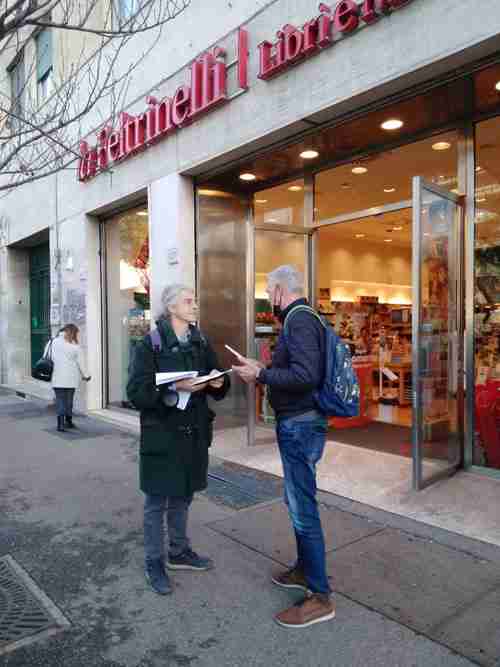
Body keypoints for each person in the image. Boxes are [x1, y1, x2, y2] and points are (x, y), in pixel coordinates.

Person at [233, 265, 335, 629]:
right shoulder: (299, 319)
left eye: (268, 290)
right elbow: (298, 369)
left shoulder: (299, 321)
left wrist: (261, 374)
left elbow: (306, 376)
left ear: (279, 290)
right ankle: (304, 571)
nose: (267, 297)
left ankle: (320, 596)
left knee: (302, 506)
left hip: (300, 424)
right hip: (299, 423)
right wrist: (263, 366)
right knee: (297, 501)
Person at [127, 284, 230, 596]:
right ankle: (154, 561)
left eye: (195, 300)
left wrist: (217, 382)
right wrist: (174, 391)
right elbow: (136, 392)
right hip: (163, 434)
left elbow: (216, 383)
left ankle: (179, 551)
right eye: (189, 301)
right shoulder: (150, 344)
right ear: (171, 307)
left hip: (194, 433)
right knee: (157, 500)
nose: (195, 305)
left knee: (184, 494)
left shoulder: (200, 340)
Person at [46, 323, 91, 432]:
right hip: (71, 378)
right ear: (73, 333)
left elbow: (46, 355)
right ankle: (68, 421)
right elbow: (81, 363)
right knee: (69, 401)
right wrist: (86, 375)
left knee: (60, 400)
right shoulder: (75, 347)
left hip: (57, 377)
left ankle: (60, 424)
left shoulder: (52, 342)